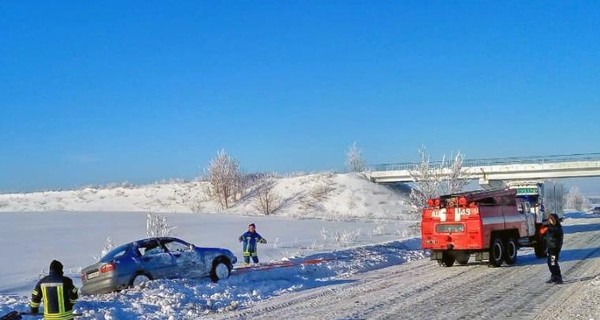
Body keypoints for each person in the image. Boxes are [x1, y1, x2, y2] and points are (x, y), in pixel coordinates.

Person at [544, 213, 564, 284]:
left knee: (553, 263)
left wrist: (549, 231)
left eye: (552, 219)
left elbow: (557, 239)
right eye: (549, 219)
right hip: (550, 248)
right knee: (550, 263)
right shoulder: (550, 227)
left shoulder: (557, 228)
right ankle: (554, 276)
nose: (550, 221)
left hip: (554, 249)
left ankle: (558, 277)